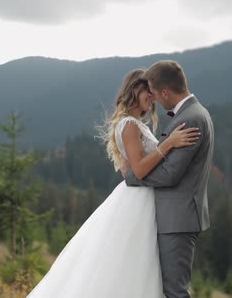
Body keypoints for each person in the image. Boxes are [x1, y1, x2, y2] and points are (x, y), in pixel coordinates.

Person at [26, 67, 201, 297]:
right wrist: (169, 144)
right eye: (147, 91)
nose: (152, 96)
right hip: (138, 201)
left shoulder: (132, 123)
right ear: (134, 91)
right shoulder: (129, 125)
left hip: (143, 198)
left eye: (153, 92)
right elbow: (138, 170)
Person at [125, 60, 214, 298]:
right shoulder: (194, 113)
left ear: (165, 92)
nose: (153, 99)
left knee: (175, 291)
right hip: (177, 216)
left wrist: (134, 176)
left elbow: (169, 174)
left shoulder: (191, 119)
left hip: (178, 218)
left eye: (154, 92)